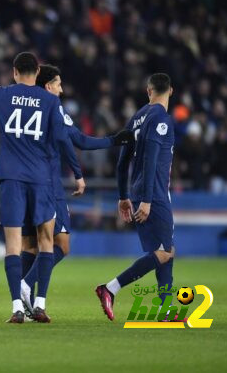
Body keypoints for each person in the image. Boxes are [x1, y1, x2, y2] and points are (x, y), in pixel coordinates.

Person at [0, 52, 83, 323]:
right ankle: (40, 304)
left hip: (10, 179)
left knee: (14, 245)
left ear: (14, 72)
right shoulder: (50, 100)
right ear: (37, 73)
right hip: (41, 180)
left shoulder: (1, 94)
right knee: (46, 241)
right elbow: (61, 138)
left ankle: (16, 308)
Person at [19, 65, 133, 316]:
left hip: (21, 181)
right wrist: (113, 140)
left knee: (31, 246)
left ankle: (30, 307)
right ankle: (27, 287)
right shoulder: (53, 107)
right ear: (48, 86)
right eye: (58, 83)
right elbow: (77, 139)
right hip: (47, 183)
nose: (61, 89)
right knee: (61, 244)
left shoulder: (25, 106)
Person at [95, 73, 176, 321]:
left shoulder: (137, 118)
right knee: (165, 253)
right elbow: (151, 156)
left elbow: (122, 162)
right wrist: (148, 200)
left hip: (141, 189)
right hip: (154, 192)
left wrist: (123, 195)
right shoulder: (161, 118)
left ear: (148, 90)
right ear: (170, 91)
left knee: (165, 249)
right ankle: (110, 288)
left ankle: (166, 310)